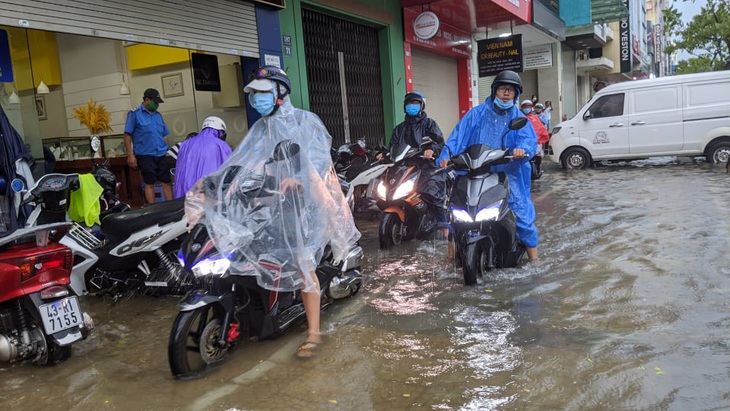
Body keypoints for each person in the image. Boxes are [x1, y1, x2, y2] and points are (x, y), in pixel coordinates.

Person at [185, 66, 360, 358]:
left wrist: (301, 179)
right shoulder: (261, 129)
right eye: (254, 93)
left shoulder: (306, 121)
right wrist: (213, 184)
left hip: (303, 207)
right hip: (271, 204)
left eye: (263, 92)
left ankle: (314, 333)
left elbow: (318, 159)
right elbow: (243, 162)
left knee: (304, 267)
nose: (257, 99)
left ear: (280, 92)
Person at [437, 70, 539, 261]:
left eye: (511, 90)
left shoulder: (519, 118)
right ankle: (449, 260)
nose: (506, 93)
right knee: (455, 215)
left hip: (508, 174)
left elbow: (528, 140)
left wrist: (521, 150)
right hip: (475, 171)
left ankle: (535, 260)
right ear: (494, 91)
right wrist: (446, 155)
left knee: (522, 215)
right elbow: (457, 137)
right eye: (502, 89)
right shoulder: (476, 114)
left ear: (516, 94)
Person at [377, 91, 447, 226]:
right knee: (383, 190)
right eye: (409, 103)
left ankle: (444, 225)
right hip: (404, 166)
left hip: (425, 165)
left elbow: (439, 142)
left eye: (415, 103)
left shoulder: (429, 124)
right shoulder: (399, 128)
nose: (412, 106)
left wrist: (431, 149)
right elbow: (392, 145)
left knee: (432, 193)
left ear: (421, 106)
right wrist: (384, 152)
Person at [123, 88, 173, 203]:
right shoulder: (134, 114)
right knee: (149, 183)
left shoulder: (158, 115)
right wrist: (130, 155)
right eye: (155, 102)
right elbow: (127, 135)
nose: (157, 105)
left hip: (161, 153)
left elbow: (164, 135)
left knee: (166, 181)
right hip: (145, 154)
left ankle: (171, 207)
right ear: (146, 100)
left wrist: (168, 151)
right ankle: (153, 208)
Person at [173, 117, 232, 198]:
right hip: (208, 195)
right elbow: (230, 170)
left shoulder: (185, 144)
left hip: (185, 194)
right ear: (220, 132)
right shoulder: (221, 145)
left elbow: (180, 172)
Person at [520, 100, 550, 179]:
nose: (527, 109)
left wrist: (540, 140)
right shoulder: (519, 118)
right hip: (523, 144)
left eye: (528, 107)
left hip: (536, 143)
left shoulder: (535, 118)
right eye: (525, 107)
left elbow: (541, 129)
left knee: (537, 157)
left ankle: (537, 170)